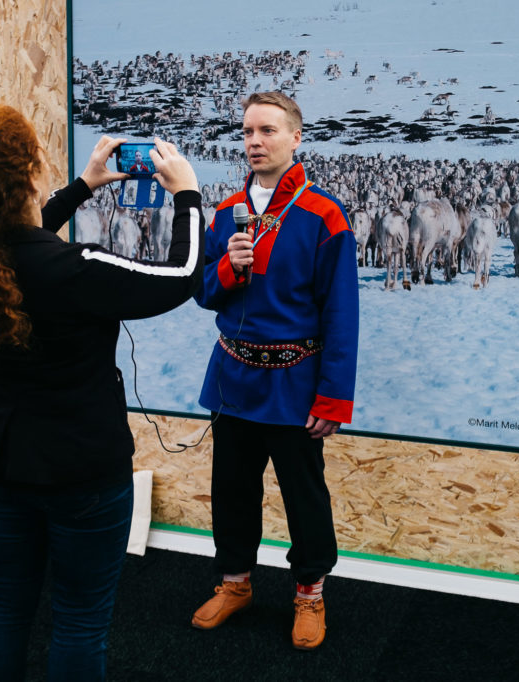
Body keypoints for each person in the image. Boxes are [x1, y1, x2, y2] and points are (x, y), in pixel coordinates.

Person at [0, 101, 204, 681]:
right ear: (29, 173)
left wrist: (84, 186)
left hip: (4, 461)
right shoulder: (74, 270)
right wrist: (187, 194)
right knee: (80, 621)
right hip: (83, 469)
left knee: (4, 605)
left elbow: (20, 238)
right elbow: (182, 275)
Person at [191, 91, 359, 650]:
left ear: (295, 138)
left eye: (267, 131)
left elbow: (341, 314)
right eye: (247, 133)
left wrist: (332, 398)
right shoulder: (225, 215)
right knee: (232, 490)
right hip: (235, 380)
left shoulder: (324, 216)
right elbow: (205, 295)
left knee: (304, 497)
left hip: (296, 384)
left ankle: (309, 594)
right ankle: (235, 584)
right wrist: (228, 268)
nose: (255, 142)